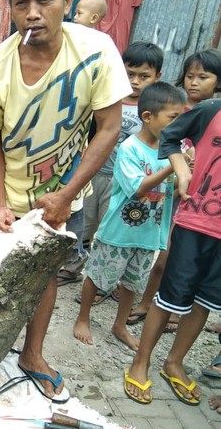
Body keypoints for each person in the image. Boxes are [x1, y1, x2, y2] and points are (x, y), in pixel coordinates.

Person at [0, 0, 131, 403]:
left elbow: (109, 127)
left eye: (44, 0)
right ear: (10, 7)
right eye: (21, 3)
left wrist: (66, 196)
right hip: (1, 192)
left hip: (64, 194)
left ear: (68, 0)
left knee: (45, 277)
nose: (32, 13)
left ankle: (32, 354)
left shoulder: (96, 51)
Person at [123, 97, 221, 406]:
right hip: (196, 221)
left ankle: (174, 362)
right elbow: (170, 135)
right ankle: (141, 361)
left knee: (204, 300)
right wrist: (182, 170)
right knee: (169, 297)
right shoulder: (212, 111)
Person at [73, 83, 184, 351]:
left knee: (132, 283)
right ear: (148, 117)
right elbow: (138, 189)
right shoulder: (130, 148)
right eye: (173, 118)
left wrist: (184, 178)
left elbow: (175, 193)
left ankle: (119, 325)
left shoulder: (174, 151)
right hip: (119, 231)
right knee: (98, 276)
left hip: (149, 233)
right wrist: (173, 166)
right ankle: (82, 317)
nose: (179, 125)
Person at [126, 49, 221, 330]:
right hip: (169, 190)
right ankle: (147, 302)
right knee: (161, 255)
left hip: (197, 201)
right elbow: (164, 140)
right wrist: (180, 168)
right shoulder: (177, 107)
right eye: (190, 76)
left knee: (174, 258)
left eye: (202, 77)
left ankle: (176, 311)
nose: (194, 82)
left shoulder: (211, 112)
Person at [72, 42, 163, 300]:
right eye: (130, 74)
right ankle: (74, 267)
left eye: (143, 76)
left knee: (110, 231)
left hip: (124, 184)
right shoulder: (109, 100)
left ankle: (103, 283)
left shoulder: (154, 112)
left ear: (158, 77)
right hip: (95, 174)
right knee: (84, 224)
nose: (135, 82)